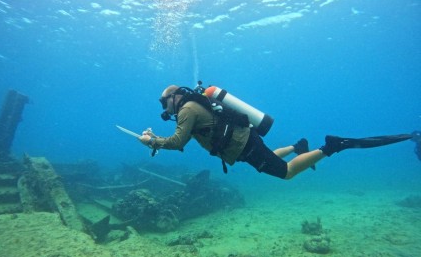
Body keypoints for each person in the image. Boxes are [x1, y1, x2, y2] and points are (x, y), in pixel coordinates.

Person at [139, 85, 412, 180]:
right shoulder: (191, 106)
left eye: (165, 102)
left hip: (242, 143)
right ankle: (296, 145)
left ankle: (332, 146)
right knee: (267, 160)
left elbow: (177, 142)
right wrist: (155, 141)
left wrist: (153, 141)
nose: (165, 107)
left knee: (286, 173)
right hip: (241, 143)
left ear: (174, 97)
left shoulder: (187, 109)